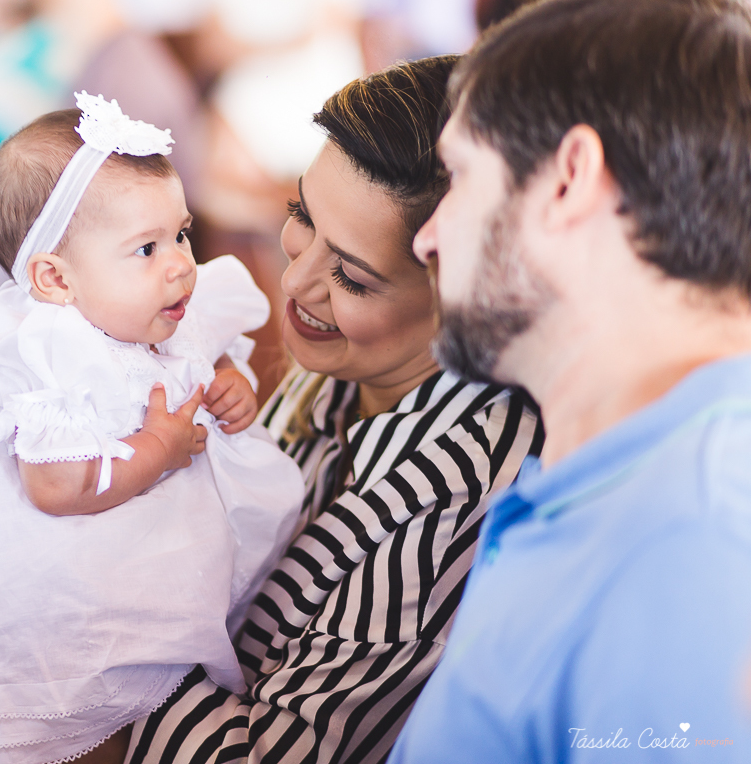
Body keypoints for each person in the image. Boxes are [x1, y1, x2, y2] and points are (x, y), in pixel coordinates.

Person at [83, 56, 542, 764]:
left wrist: (111, 617)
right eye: (301, 215)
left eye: (352, 277)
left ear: (469, 303)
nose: (295, 281)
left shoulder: (457, 504)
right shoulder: (340, 374)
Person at [0, 93, 306, 763]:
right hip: (81, 590)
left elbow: (203, 354)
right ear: (55, 278)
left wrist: (230, 385)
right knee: (87, 721)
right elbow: (54, 483)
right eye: (145, 248)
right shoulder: (53, 351)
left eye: (181, 234)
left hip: (169, 557)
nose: (178, 264)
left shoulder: (166, 308)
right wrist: (154, 450)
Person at [391, 0, 751, 762]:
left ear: (566, 179)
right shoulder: (621, 476)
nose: (428, 239)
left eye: (459, 178)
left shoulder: (692, 544)